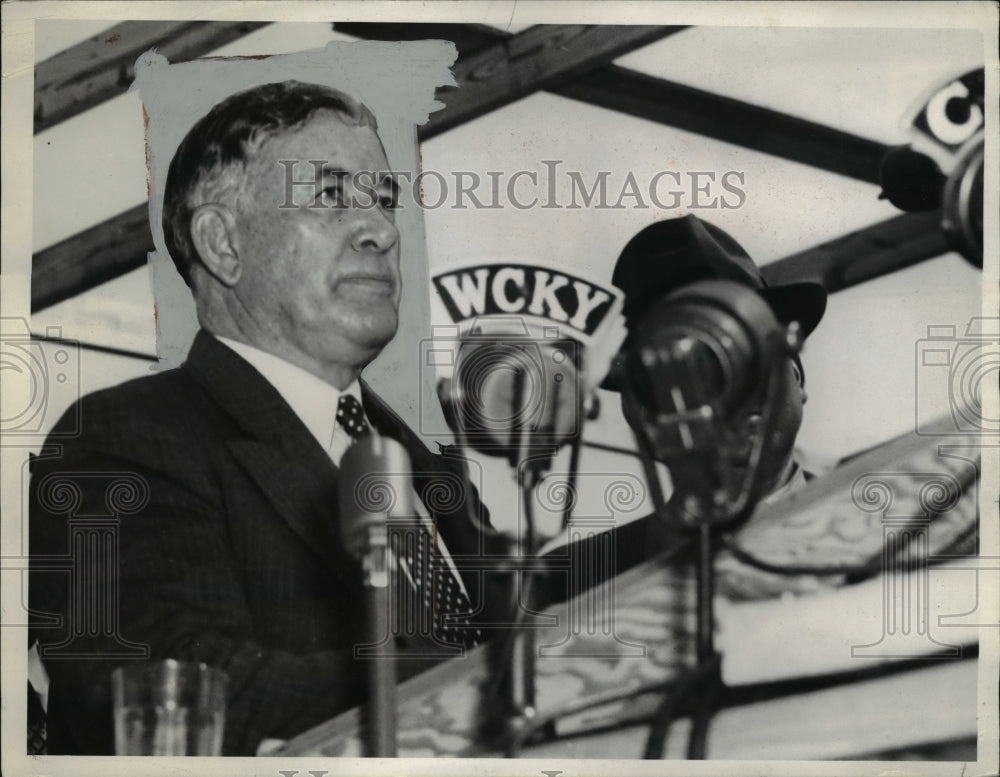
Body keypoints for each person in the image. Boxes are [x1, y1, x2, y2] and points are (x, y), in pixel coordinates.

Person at [29, 80, 507, 756]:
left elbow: (532, 619)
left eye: (382, 200)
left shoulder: (427, 465)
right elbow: (171, 686)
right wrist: (487, 673)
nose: (381, 229)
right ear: (223, 244)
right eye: (331, 195)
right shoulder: (121, 439)